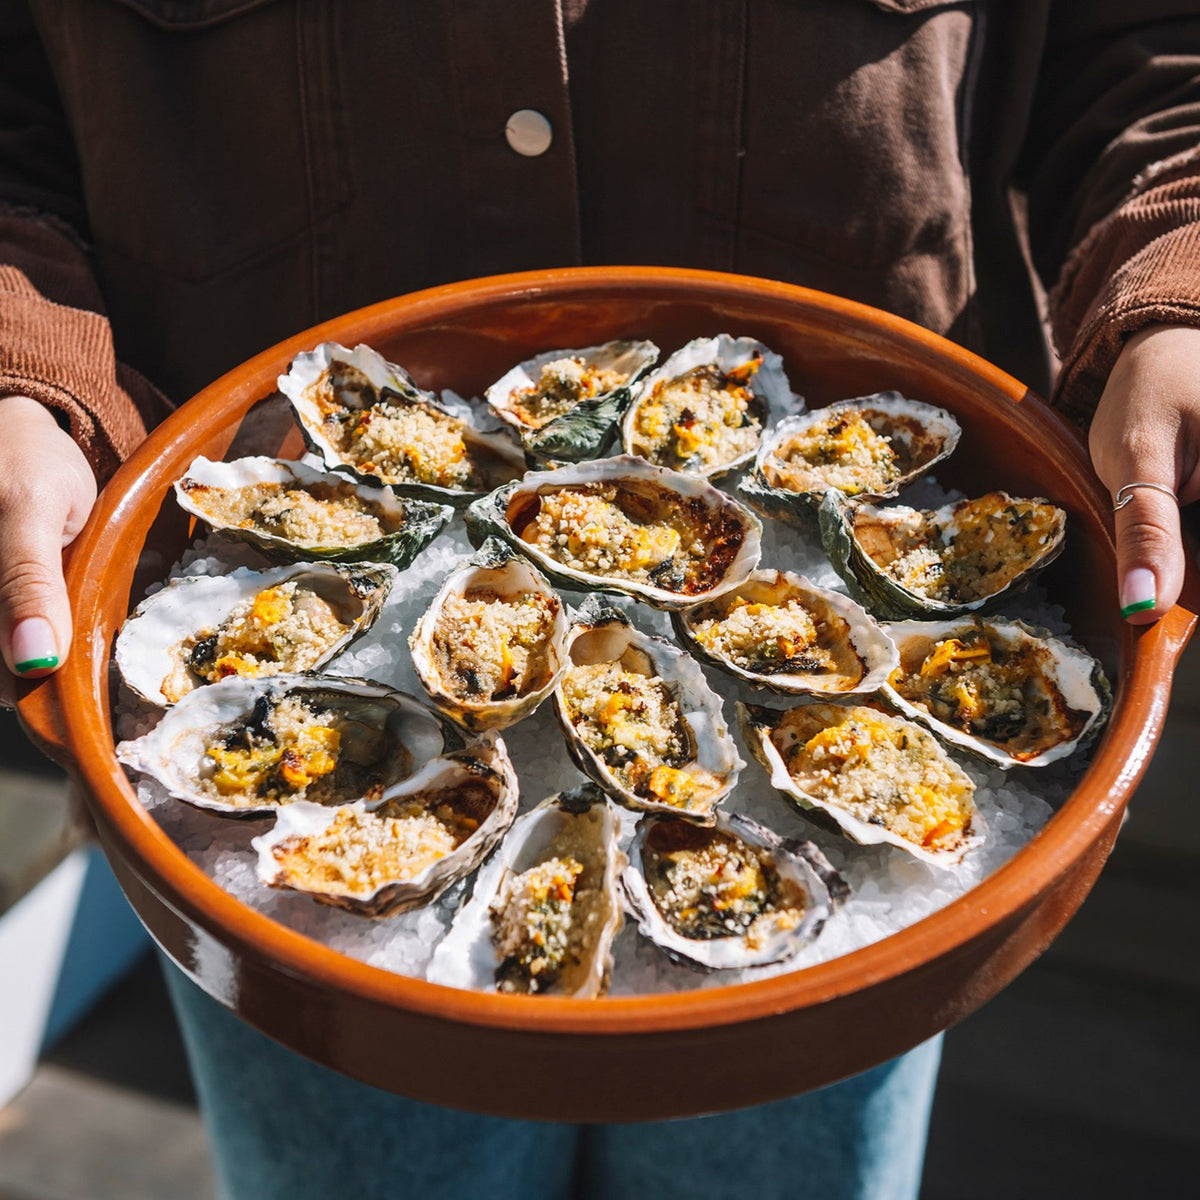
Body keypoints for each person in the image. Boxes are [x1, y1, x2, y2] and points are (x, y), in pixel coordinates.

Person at [1, 3, 1198, 1197]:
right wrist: (21, 368)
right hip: (307, 930)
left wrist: (1179, 282)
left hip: (823, 970)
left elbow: (1151, 50)